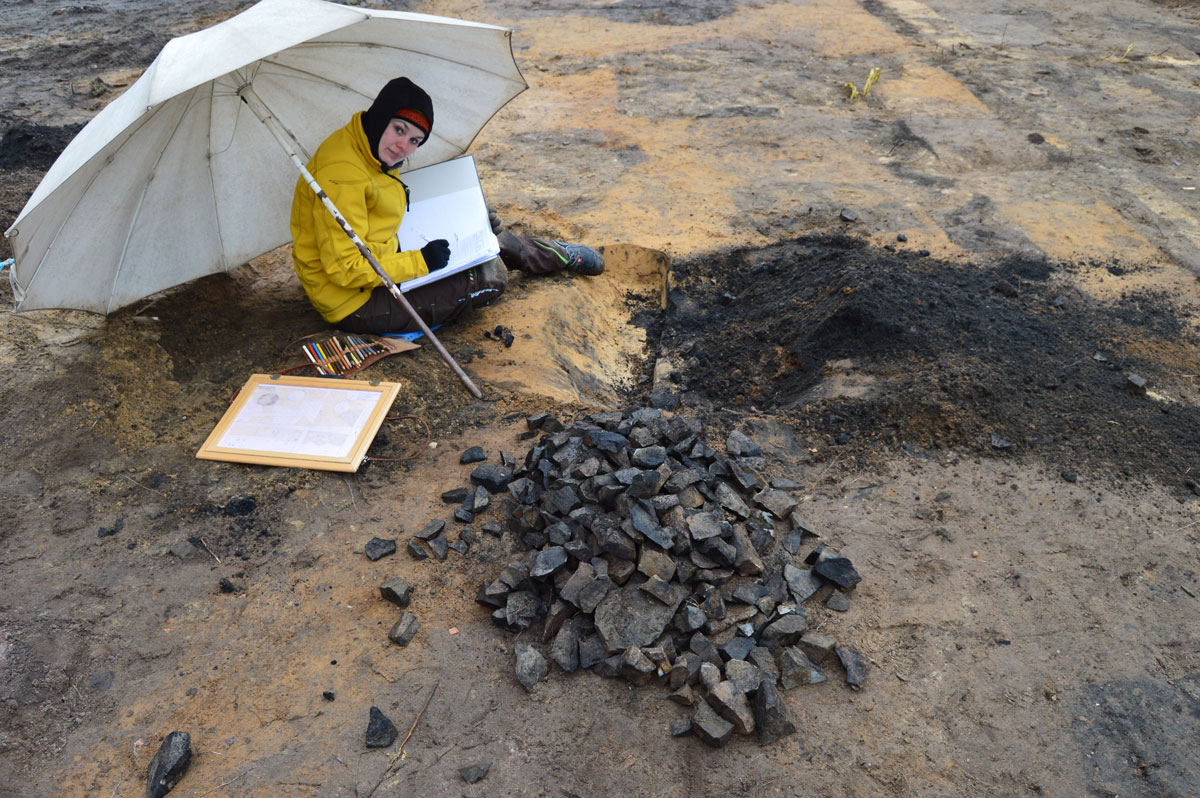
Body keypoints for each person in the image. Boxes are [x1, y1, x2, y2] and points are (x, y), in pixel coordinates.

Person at [289, 77, 604, 336]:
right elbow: (346, 270)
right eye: (399, 130)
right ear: (382, 116)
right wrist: (421, 262)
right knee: (490, 277)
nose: (403, 147)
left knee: (468, 222)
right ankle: (505, 251)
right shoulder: (341, 178)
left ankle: (511, 244)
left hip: (381, 249)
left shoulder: (365, 143)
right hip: (356, 301)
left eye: (415, 140)